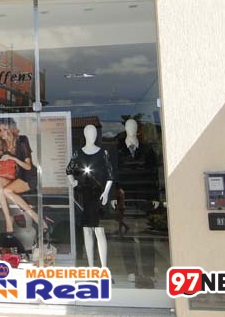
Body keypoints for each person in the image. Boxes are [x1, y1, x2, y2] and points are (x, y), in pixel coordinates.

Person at [113, 118, 160, 288]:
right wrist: (113, 196)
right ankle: (131, 270)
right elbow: (113, 174)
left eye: (134, 126)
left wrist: (155, 196)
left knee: (146, 236)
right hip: (125, 198)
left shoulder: (147, 150)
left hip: (144, 196)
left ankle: (148, 271)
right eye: (128, 126)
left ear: (137, 129)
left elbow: (154, 174)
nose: (131, 129)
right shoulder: (118, 151)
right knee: (126, 235)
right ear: (125, 128)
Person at [0, 117, 41, 235]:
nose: (2, 133)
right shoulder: (1, 144)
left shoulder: (22, 140)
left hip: (27, 177)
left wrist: (12, 158)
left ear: (11, 129)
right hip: (13, 177)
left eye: (5, 129)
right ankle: (5, 219)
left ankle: (7, 221)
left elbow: (28, 166)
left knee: (0, 188)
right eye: (0, 130)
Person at [66, 124, 113, 268]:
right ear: (85, 135)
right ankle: (91, 267)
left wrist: (106, 192)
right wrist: (73, 182)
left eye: (94, 133)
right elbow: (69, 170)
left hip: (99, 195)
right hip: (84, 195)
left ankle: (103, 267)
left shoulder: (103, 153)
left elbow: (110, 175)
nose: (92, 136)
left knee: (99, 231)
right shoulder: (78, 153)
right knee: (87, 231)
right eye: (89, 133)